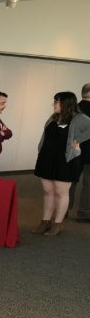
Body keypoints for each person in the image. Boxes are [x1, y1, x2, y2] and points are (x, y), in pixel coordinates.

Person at [32, 91, 90, 236]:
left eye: (56, 102)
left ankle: (58, 223)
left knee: (61, 192)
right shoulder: (53, 117)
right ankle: (45, 221)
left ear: (65, 104)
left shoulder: (79, 118)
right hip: (47, 158)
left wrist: (78, 141)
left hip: (65, 160)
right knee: (47, 190)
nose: (54, 104)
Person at [74, 84, 90, 222]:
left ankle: (63, 210)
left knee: (70, 182)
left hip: (75, 152)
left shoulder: (74, 109)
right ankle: (84, 213)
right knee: (88, 185)